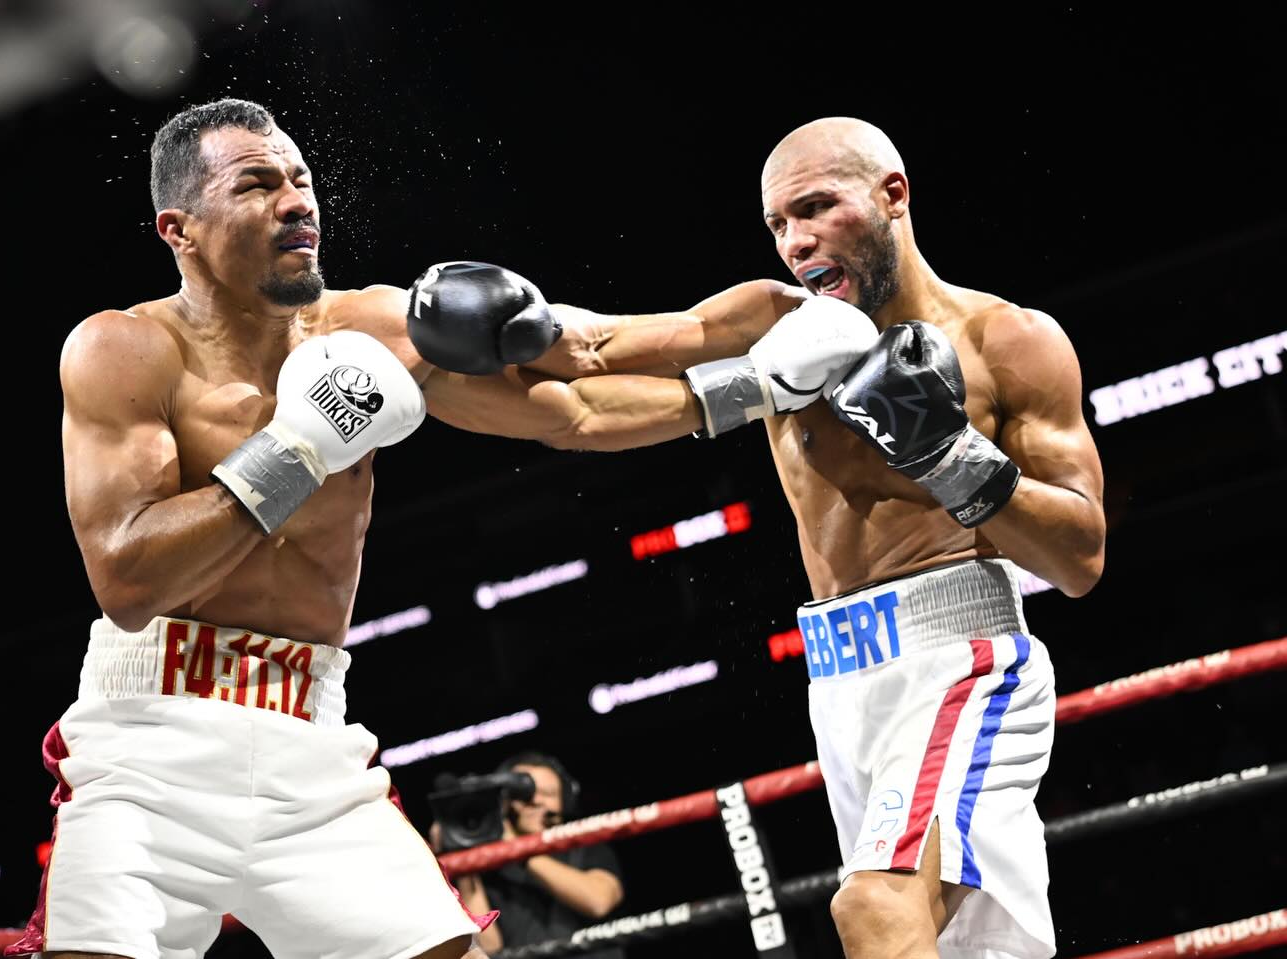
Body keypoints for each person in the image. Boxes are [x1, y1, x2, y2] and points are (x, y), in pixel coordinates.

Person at [6, 98, 876, 959]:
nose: (297, 201)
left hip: (308, 738)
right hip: (151, 742)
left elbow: (577, 391)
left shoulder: (373, 328)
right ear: (179, 229)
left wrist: (765, 374)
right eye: (258, 184)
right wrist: (297, 446)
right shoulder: (123, 351)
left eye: (302, 180)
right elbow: (128, 582)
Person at [410, 117, 1106, 959]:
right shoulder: (774, 325)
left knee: (873, 908)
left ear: (893, 196)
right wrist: (507, 325)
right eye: (779, 223)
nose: (796, 241)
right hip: (841, 682)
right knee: (971, 948)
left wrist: (948, 454)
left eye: (817, 208)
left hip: (959, 658)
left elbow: (1080, 559)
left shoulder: (1007, 341)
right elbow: (596, 349)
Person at [449, 753, 625, 958]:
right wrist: (463, 859)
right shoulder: (488, 865)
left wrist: (517, 849)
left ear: (564, 802)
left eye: (548, 793)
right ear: (501, 802)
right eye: (522, 793)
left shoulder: (585, 844)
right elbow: (488, 947)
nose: (535, 800)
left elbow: (598, 901)